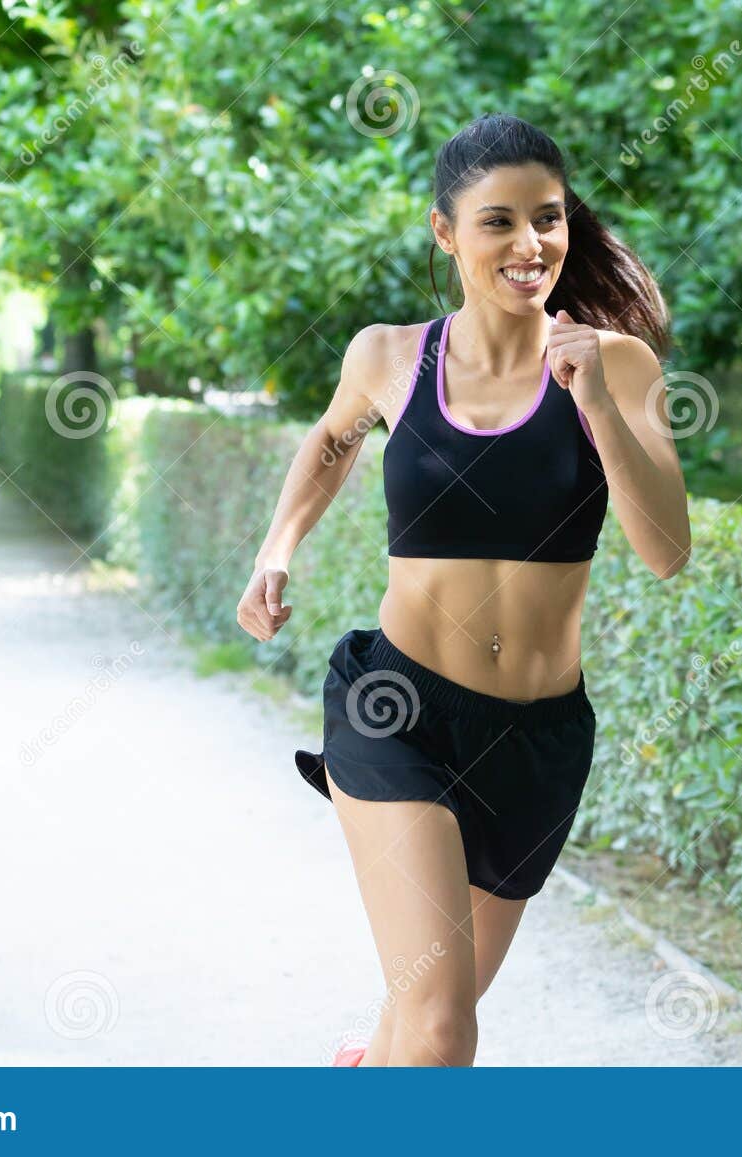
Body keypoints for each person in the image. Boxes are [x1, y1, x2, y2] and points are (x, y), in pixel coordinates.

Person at [236, 113, 691, 1067]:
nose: (532, 244)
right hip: (398, 708)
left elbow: (665, 552)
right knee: (443, 1024)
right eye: (500, 222)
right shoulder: (389, 357)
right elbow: (330, 442)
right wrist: (277, 546)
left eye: (549, 219)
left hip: (538, 739)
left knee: (414, 1025)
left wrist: (598, 407)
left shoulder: (617, 366)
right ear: (447, 233)